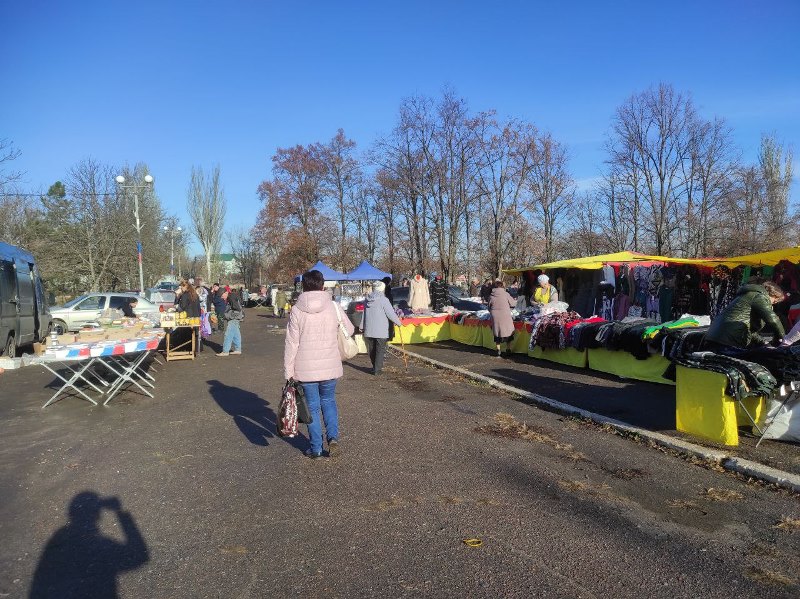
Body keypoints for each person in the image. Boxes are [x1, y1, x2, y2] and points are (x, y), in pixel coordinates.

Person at [284, 269, 354, 458]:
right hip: (330, 365)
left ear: (304, 286)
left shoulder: (297, 310)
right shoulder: (334, 307)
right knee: (329, 402)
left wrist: (288, 371)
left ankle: (315, 448)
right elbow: (350, 328)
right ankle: (333, 438)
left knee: (312, 407)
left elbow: (292, 343)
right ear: (323, 285)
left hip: (305, 369)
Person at [704, 280, 786, 351]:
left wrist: (763, 342)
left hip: (716, 336)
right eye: (774, 301)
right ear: (772, 294)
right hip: (729, 340)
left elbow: (748, 329)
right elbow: (773, 320)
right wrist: (780, 339)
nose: (772, 304)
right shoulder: (759, 296)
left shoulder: (746, 296)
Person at [362, 280, 403, 375]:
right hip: (381, 330)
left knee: (372, 350)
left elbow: (364, 314)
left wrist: (362, 326)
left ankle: (374, 367)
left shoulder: (367, 299)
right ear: (382, 289)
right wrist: (398, 322)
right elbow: (390, 314)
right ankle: (377, 370)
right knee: (380, 350)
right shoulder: (384, 300)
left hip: (369, 329)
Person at [488, 279, 516, 357]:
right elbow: (513, 303)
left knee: (497, 332)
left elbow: (488, 307)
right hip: (505, 314)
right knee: (508, 332)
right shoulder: (506, 294)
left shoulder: (491, 295)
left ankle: (498, 350)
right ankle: (508, 349)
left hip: (495, 315)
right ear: (502, 286)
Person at [217, 288, 244, 356]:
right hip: (236, 317)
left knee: (228, 334)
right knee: (236, 334)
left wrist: (228, 316)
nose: (222, 297)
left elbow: (237, 308)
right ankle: (238, 349)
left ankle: (225, 351)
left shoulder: (231, 297)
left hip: (233, 318)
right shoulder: (232, 296)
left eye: (222, 295)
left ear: (225, 293)